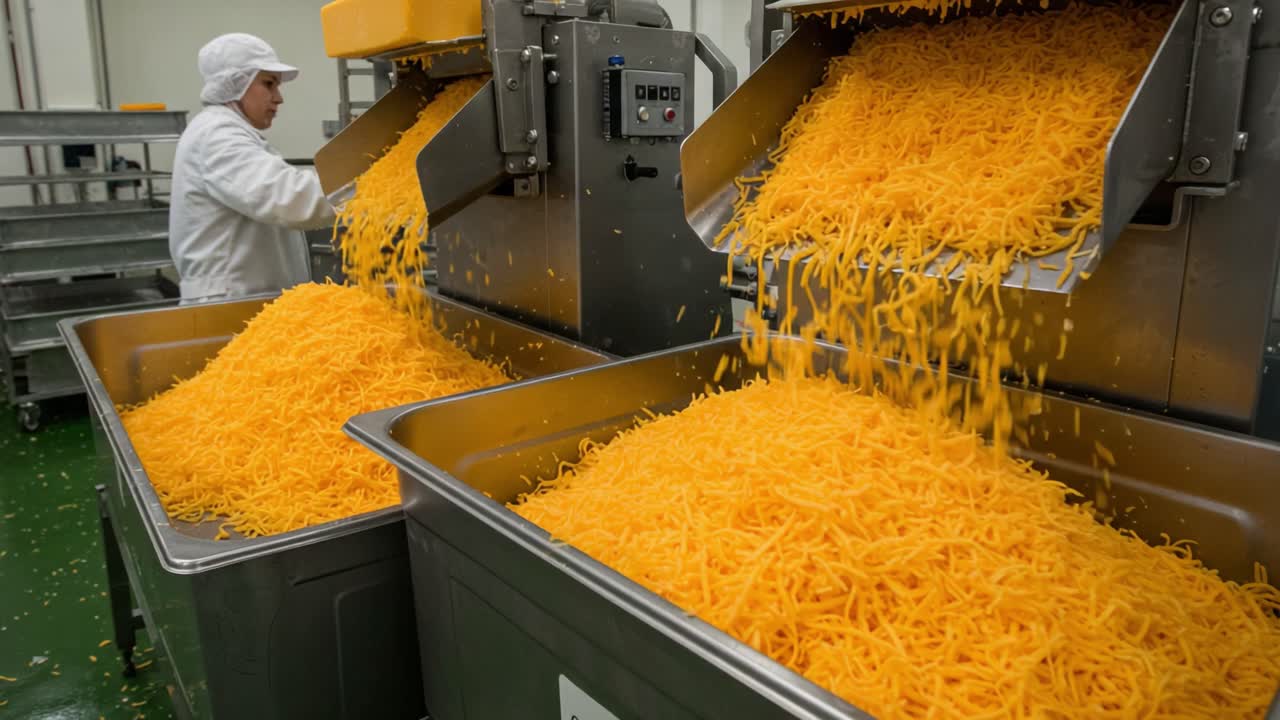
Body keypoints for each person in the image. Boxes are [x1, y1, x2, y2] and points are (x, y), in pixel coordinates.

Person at [169, 33, 335, 302]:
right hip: (228, 306)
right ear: (235, 84)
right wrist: (370, 189)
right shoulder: (217, 135)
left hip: (245, 301)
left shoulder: (229, 132)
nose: (278, 97)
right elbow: (288, 198)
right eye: (269, 84)